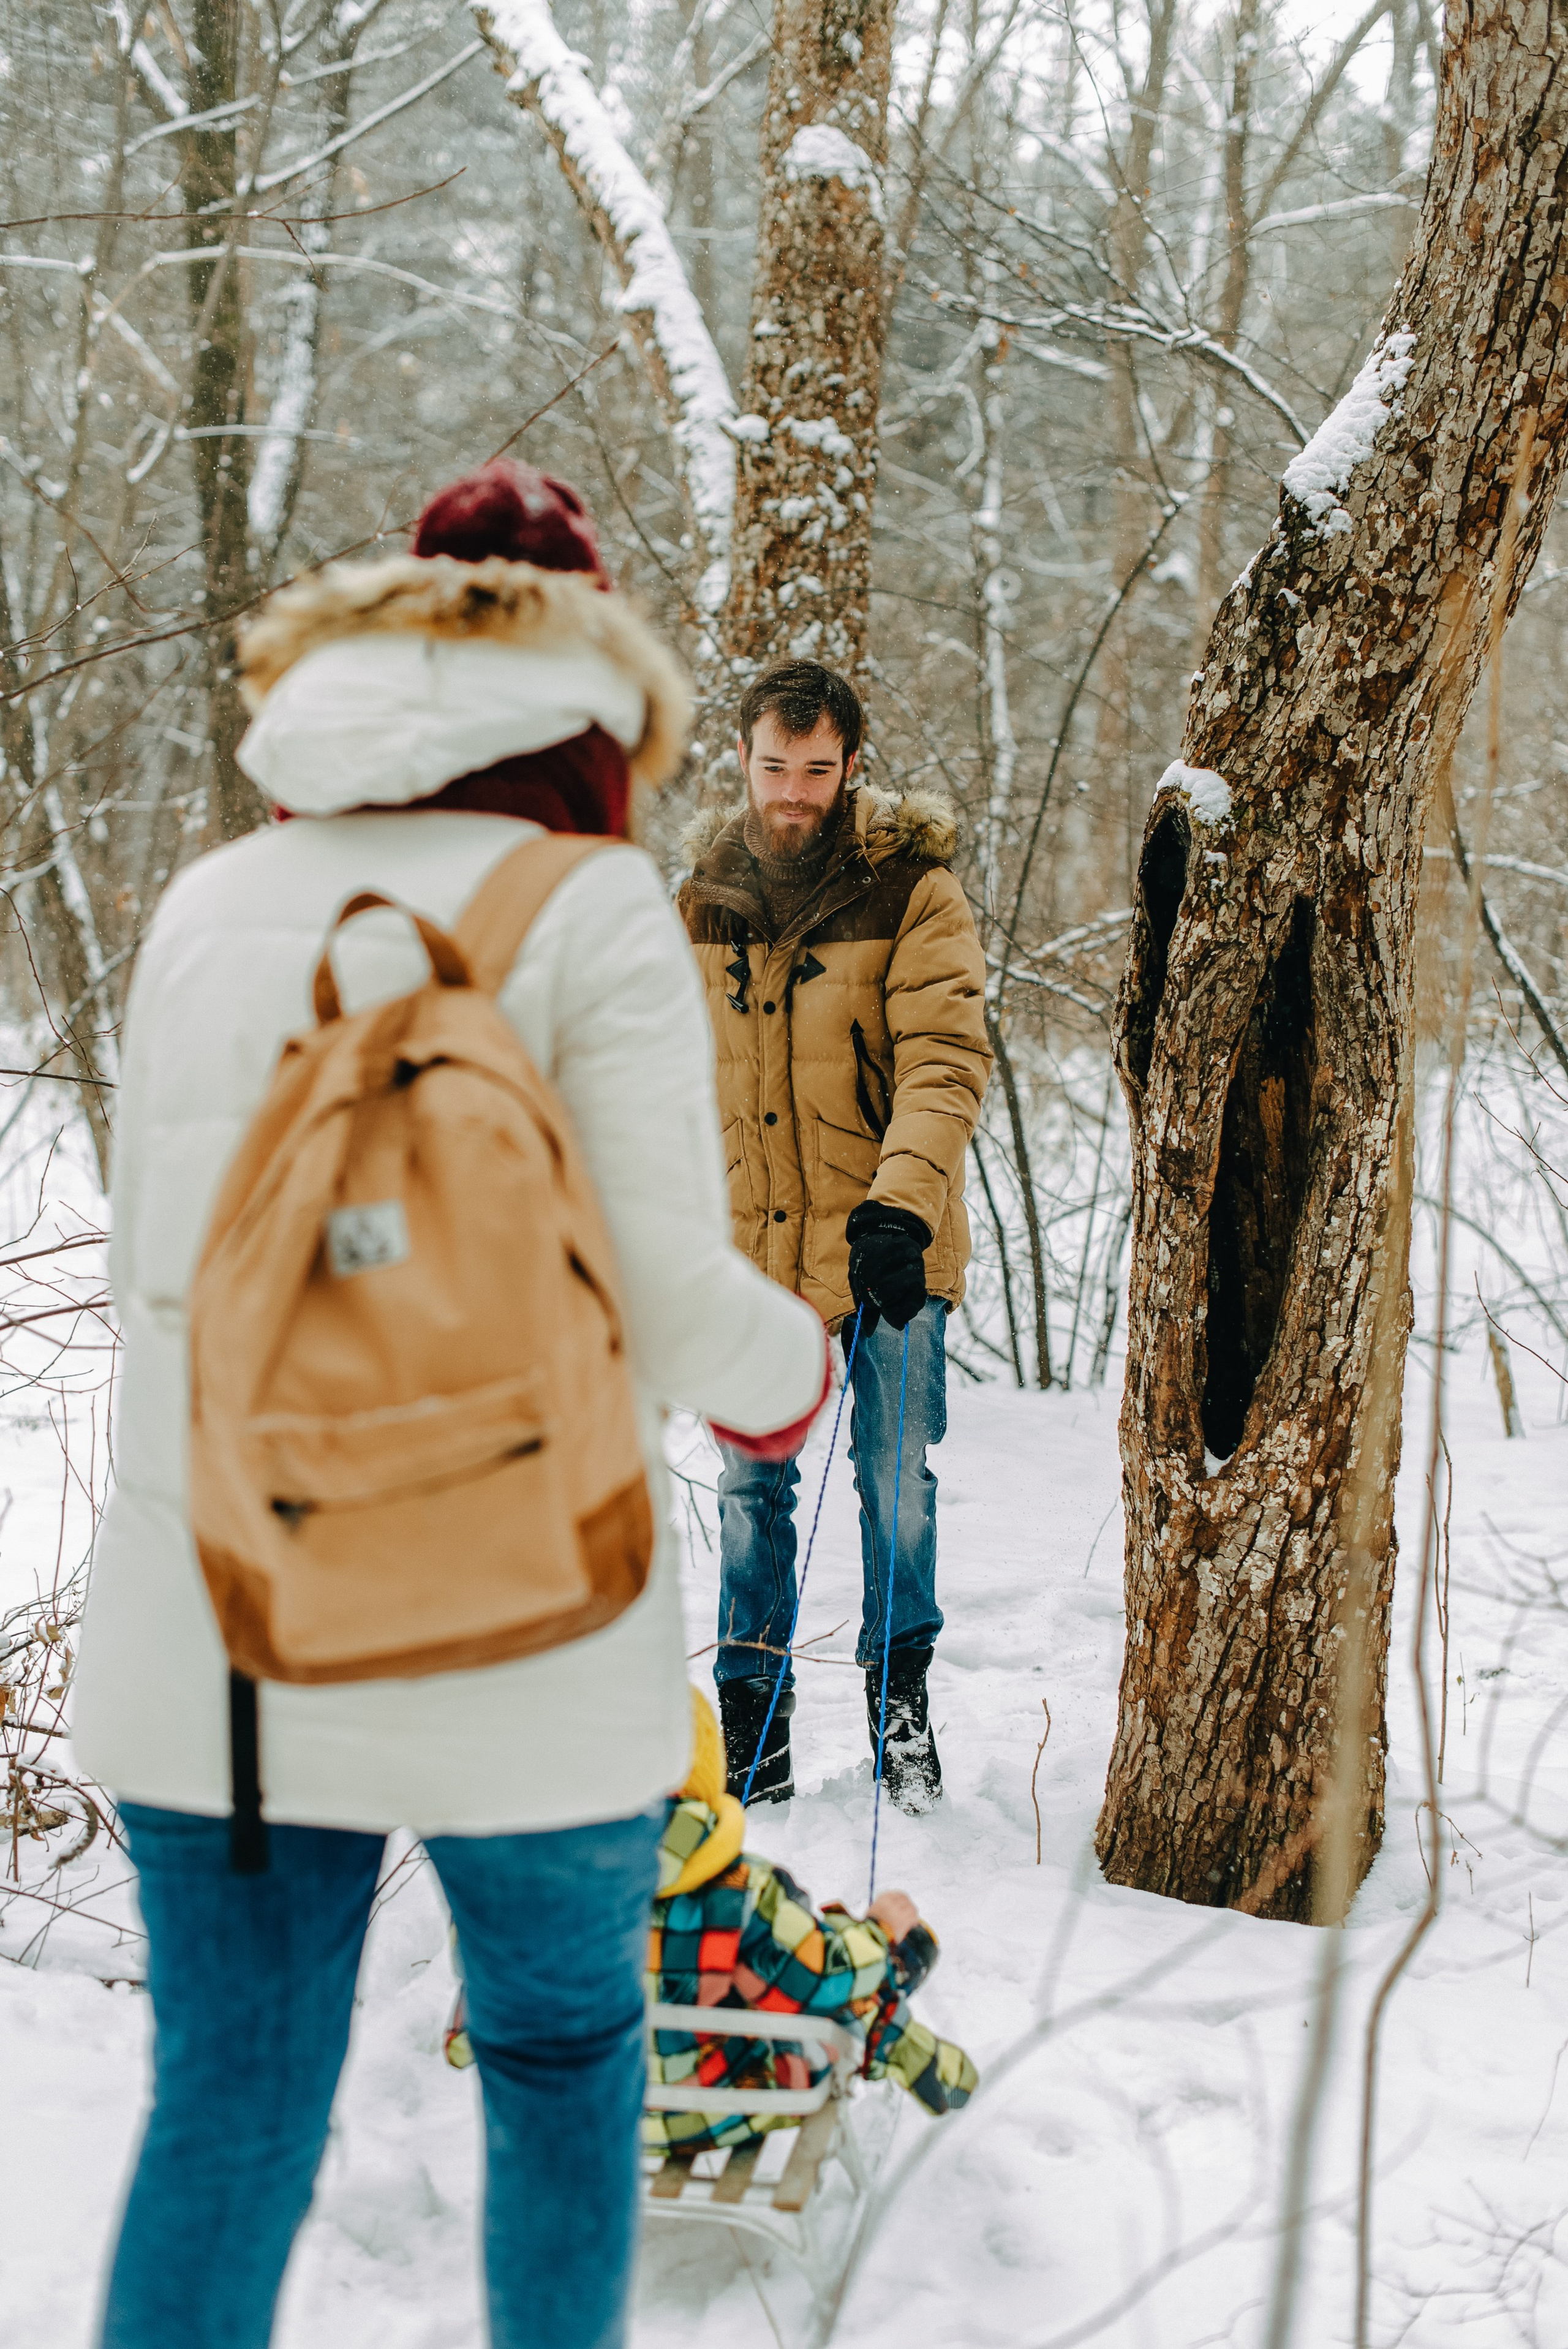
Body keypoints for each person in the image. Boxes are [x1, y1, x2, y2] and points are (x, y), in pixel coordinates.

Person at [70, 462, 830, 2349]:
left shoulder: (210, 901)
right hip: (523, 1627)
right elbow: (667, 1303)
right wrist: (789, 1375)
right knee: (567, 2067)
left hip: (224, 1626)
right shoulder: (590, 903)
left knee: (230, 2110)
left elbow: (167, 1280)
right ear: (588, 680)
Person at [678, 662, 991, 1814]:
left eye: (817, 771)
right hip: (750, 1262)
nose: (794, 793)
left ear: (852, 765)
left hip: (887, 1253)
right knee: (751, 1492)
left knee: (891, 1482)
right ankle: (753, 1741)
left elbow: (944, 1061)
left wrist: (901, 1206)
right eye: (775, 768)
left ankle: (899, 1715)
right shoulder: (702, 902)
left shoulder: (913, 891)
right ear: (745, 760)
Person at [444, 1691, 977, 2150]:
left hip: (574, 2106)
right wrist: (879, 1931)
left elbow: (480, 2005)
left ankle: (893, 1984)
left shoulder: (521, 1895)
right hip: (718, 2101)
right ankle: (902, 2004)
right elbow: (825, 1979)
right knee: (825, 1992)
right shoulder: (742, 1895)